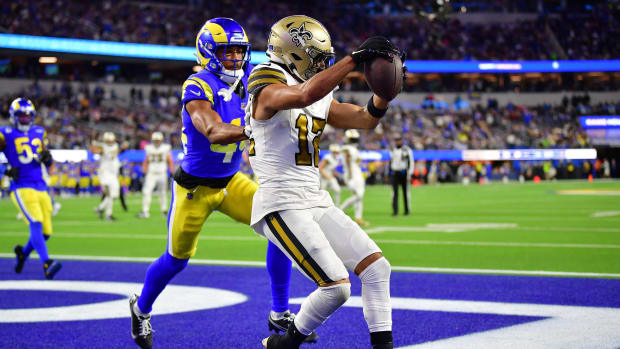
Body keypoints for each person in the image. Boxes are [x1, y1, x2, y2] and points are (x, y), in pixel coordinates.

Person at [128, 18, 314, 349]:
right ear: (208, 52)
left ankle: (280, 312)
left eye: (240, 52)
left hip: (231, 182)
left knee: (281, 225)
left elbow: (291, 88)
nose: (235, 59)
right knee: (176, 259)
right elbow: (213, 130)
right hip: (194, 189)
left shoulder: (250, 79)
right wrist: (252, 128)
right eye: (227, 52)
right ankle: (141, 309)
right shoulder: (197, 84)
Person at [246, 15, 404, 349]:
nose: (322, 64)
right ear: (293, 53)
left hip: (314, 198)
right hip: (280, 201)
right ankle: (284, 344)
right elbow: (302, 95)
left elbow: (363, 121)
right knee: (336, 286)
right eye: (317, 58)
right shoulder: (266, 77)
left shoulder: (314, 88)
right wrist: (355, 59)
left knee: (378, 270)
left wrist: (383, 97)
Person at [1, 98, 62, 279]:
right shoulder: (6, 133)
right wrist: (5, 169)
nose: (26, 119)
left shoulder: (39, 132)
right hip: (21, 186)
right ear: (14, 116)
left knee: (46, 233)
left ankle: (23, 254)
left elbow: (49, 160)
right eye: (22, 116)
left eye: (28, 116)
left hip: (41, 186)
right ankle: (47, 263)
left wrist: (47, 158)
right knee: (35, 223)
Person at [137, 132, 173, 218]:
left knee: (163, 193)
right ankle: (145, 211)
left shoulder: (165, 148)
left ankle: (164, 210)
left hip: (162, 173)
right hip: (151, 173)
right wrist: (144, 172)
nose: (156, 142)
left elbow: (169, 160)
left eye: (158, 140)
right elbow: (146, 161)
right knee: (146, 191)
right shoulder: (149, 148)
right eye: (155, 140)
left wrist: (171, 172)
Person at [339, 129, 370, 227]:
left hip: (356, 173)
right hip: (352, 174)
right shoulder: (347, 148)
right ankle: (339, 210)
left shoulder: (352, 148)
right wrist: (350, 174)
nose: (354, 141)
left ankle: (358, 217)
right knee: (359, 195)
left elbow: (355, 161)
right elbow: (348, 160)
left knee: (358, 197)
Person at [91, 132, 121, 221]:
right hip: (105, 173)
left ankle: (100, 208)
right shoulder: (103, 147)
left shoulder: (115, 145)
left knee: (114, 195)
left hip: (113, 174)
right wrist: (93, 142)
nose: (110, 142)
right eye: (108, 141)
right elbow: (94, 151)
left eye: (111, 141)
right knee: (109, 194)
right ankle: (108, 214)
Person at [388, 135, 414, 215]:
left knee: (405, 192)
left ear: (402, 140)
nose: (398, 142)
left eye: (399, 140)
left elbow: (411, 162)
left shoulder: (406, 150)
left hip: (403, 172)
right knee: (394, 193)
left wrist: (410, 173)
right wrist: (389, 173)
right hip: (395, 172)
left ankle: (407, 210)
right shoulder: (392, 150)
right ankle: (395, 211)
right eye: (396, 140)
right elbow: (390, 162)